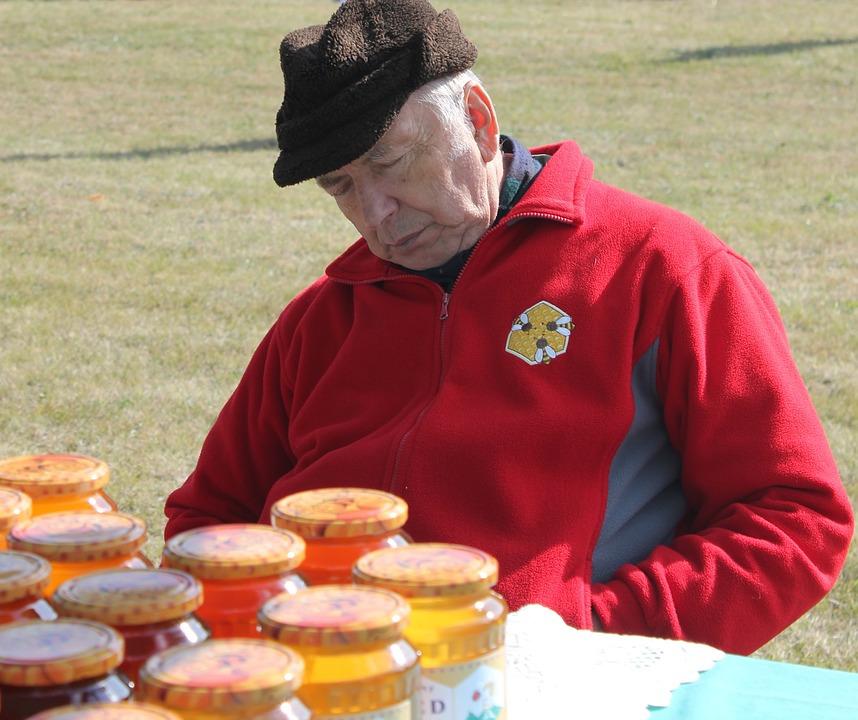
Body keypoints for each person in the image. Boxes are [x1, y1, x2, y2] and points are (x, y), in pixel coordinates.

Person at [164, 0, 854, 654]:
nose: (376, 215)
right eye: (340, 187)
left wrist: (593, 641)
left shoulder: (659, 268)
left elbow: (795, 517)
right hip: (320, 675)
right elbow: (207, 517)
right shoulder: (323, 316)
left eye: (390, 162)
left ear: (478, 119)